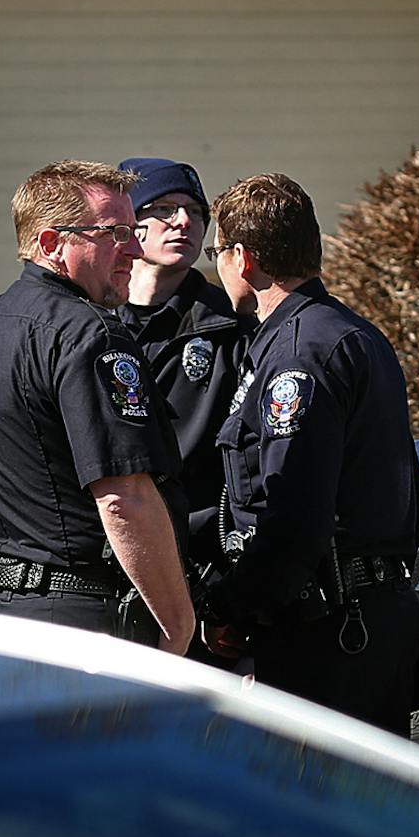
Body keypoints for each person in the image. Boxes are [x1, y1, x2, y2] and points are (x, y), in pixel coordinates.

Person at [0, 160, 195, 652]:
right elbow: (124, 499)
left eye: (134, 231)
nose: (135, 249)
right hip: (85, 622)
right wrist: (177, 625)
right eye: (115, 233)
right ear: (52, 244)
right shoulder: (93, 336)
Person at [199, 173, 419, 733]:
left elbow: (294, 512)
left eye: (216, 252)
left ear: (244, 259)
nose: (216, 266)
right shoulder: (352, 334)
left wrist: (230, 606)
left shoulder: (299, 355)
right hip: (372, 612)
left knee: (311, 782)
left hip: (327, 628)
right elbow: (413, 491)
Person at [114, 158, 250, 567]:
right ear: (129, 223)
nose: (184, 222)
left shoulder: (232, 324)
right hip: (108, 551)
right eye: (164, 209)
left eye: (195, 211)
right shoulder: (89, 322)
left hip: (204, 553)